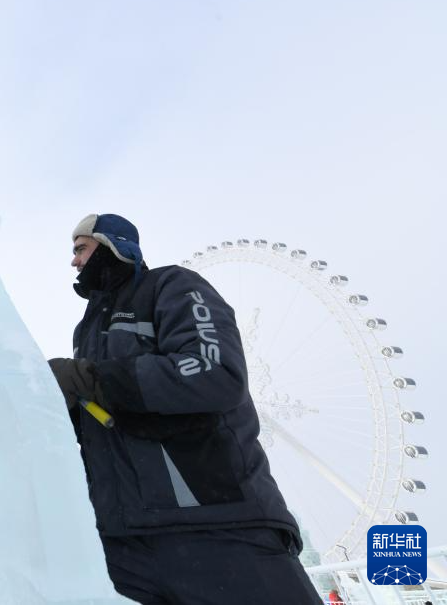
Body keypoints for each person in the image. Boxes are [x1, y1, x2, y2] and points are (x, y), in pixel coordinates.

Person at [49, 213, 321, 604]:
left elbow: (215, 371)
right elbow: (104, 416)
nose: (74, 261)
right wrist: (62, 406)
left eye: (81, 248)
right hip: (124, 548)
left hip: (220, 527)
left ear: (111, 244)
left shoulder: (171, 286)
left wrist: (90, 379)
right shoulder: (85, 330)